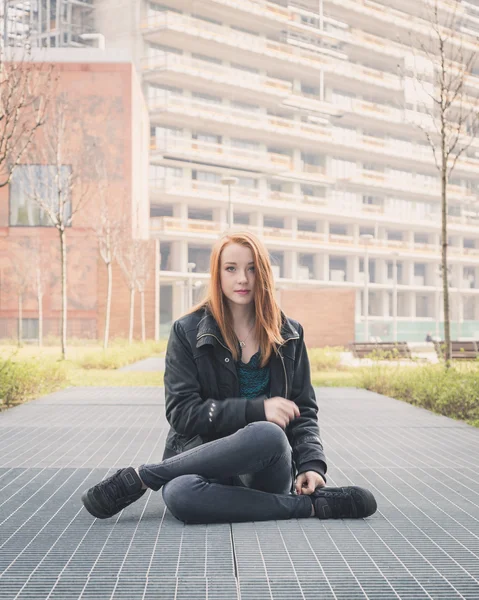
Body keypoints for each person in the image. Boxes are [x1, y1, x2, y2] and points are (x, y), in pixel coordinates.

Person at [81, 231, 377, 524]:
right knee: (180, 495)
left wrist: (312, 465)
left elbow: (304, 411)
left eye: (251, 268)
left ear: (263, 274)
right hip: (202, 458)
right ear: (217, 274)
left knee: (268, 434)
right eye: (231, 269)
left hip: (266, 465)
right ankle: (310, 508)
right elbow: (182, 413)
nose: (243, 279)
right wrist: (257, 409)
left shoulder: (289, 334)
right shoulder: (187, 332)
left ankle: (145, 476)